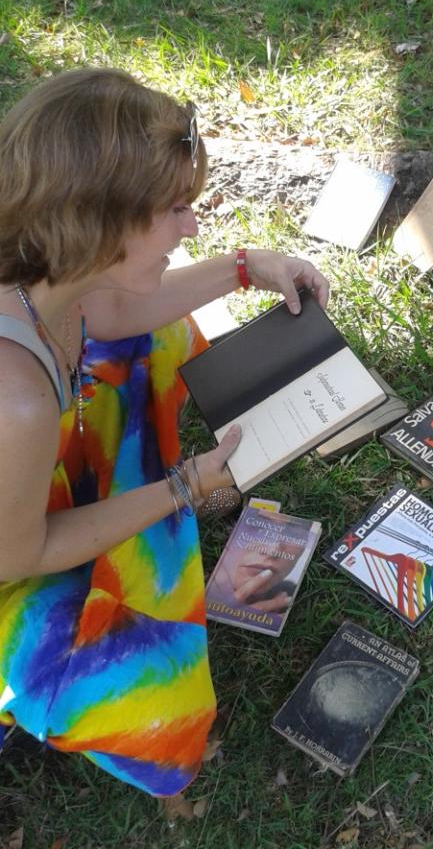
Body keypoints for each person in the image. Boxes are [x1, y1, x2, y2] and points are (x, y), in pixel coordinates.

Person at [0, 67, 329, 797]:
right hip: (9, 561)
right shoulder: (14, 398)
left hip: (19, 486)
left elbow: (112, 318)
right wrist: (181, 487)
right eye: (174, 209)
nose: (192, 226)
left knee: (160, 339)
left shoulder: (44, 273)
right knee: (154, 699)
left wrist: (248, 267)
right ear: (96, 220)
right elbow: (22, 555)